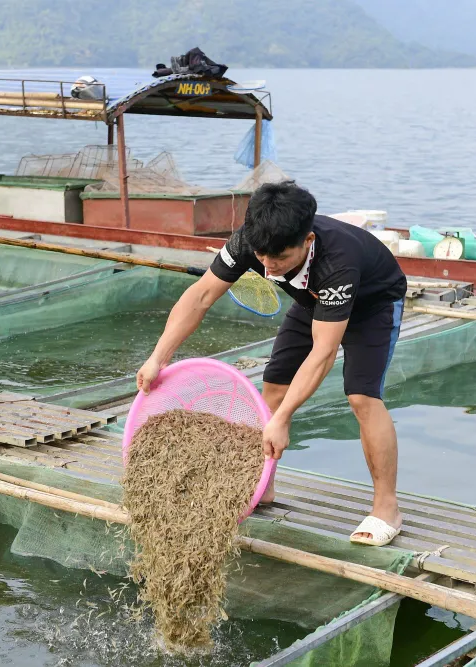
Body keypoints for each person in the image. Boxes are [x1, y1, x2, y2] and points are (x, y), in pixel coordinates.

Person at [136, 183, 408, 546]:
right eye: (261, 257)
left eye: (278, 259)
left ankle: (386, 507)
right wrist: (158, 357)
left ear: (307, 240)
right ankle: (262, 484)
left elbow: (323, 353)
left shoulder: (337, 261)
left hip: (372, 304)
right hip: (313, 300)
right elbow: (201, 296)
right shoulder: (253, 241)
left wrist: (281, 422)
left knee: (361, 396)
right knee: (275, 384)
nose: (267, 267)